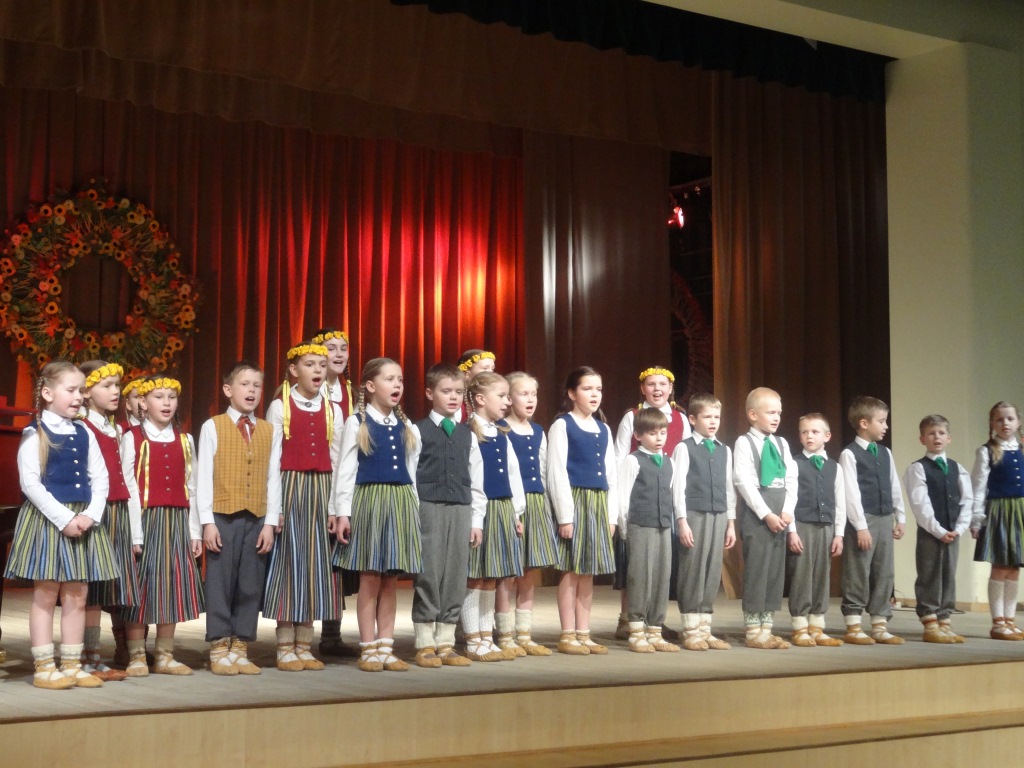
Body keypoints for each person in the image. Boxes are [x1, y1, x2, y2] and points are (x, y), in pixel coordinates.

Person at [4, 361, 117, 689]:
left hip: (82, 520)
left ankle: (71, 664)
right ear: (48, 393)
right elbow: (31, 484)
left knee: (78, 595)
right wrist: (64, 518)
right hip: (49, 519)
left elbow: (101, 478)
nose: (79, 397)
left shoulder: (84, 432)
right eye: (71, 390)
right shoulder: (35, 433)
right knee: (46, 593)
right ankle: (44, 667)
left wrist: (90, 515)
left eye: (81, 390)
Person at [333, 358, 422, 672]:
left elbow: (412, 472)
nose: (397, 385)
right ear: (370, 386)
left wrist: (414, 509)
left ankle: (386, 646)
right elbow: (345, 470)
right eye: (389, 379)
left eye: (400, 379)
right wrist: (342, 513)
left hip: (399, 502)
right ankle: (368, 647)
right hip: (370, 501)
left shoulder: (407, 426)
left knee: (390, 579)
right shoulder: (357, 422)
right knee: (370, 577)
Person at [263, 343, 343, 671]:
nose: (318, 370)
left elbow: (338, 459)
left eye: (322, 365)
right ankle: (284, 644)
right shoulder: (279, 406)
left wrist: (335, 508)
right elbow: (272, 460)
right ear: (294, 370)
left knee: (314, 566)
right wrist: (275, 508)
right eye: (310, 364)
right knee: (289, 564)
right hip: (291, 489)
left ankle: (304, 644)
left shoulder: (332, 409)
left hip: (320, 491)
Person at [121, 376, 204, 675]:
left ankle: (165, 655)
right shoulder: (132, 438)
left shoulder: (185, 439)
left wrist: (194, 531)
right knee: (141, 586)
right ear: (143, 403)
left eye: (171, 397)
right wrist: (135, 533)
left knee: (171, 584)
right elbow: (129, 487)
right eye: (159, 397)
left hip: (176, 520)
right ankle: (136, 655)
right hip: (146, 519)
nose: (166, 403)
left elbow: (192, 486)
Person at [197, 360, 275, 675]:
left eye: (257, 385)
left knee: (250, 583)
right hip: (222, 515)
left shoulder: (268, 429)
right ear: (228, 390)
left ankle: (241, 646)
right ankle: (219, 645)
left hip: (256, 515)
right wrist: (207, 522)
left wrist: (270, 522)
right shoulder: (213, 426)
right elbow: (203, 476)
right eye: (245, 384)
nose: (252, 390)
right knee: (220, 582)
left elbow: (273, 478)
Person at [411, 363, 485, 668]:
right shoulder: (418, 430)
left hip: (461, 508)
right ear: (430, 393)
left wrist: (476, 520)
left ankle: (446, 641)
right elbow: (411, 473)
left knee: (455, 574)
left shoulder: (468, 434)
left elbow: (476, 479)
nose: (453, 397)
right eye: (446, 391)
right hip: (429, 506)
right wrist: (413, 512)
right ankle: (424, 642)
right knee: (429, 571)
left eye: (458, 392)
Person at [612, 366, 691, 640]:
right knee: (636, 566)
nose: (657, 389)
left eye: (663, 384)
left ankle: (654, 621)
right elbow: (620, 456)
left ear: (671, 389)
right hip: (639, 500)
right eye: (651, 384)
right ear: (642, 389)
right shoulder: (632, 417)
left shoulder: (680, 418)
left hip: (664, 501)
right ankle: (629, 619)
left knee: (660, 567)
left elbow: (683, 458)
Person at [548, 366, 619, 655]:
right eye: (587, 389)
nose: (594, 394)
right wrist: (565, 516)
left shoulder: (603, 428)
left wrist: (611, 516)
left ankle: (584, 633)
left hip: (597, 503)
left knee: (588, 570)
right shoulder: (563, 425)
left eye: (598, 389)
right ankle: (567, 634)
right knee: (571, 568)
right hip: (575, 500)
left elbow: (611, 474)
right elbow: (556, 472)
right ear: (571, 393)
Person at [79, 361, 142, 681]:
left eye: (118, 385)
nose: (116, 391)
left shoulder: (115, 429)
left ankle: (107, 654)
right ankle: (87, 657)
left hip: (118, 512)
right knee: (91, 589)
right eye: (107, 386)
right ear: (86, 392)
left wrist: (134, 529)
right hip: (97, 513)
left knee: (111, 588)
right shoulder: (82, 426)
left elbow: (127, 479)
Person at [465, 372, 525, 661]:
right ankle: (472, 638)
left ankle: (486, 636)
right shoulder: (469, 431)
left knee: (492, 575)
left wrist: (516, 512)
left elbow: (513, 474)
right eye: (501, 396)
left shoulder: (501, 433)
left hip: (502, 508)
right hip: (481, 509)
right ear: (480, 399)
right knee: (476, 576)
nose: (507, 402)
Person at [733, 387, 797, 649]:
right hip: (759, 512)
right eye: (770, 412)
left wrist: (788, 510)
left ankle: (767, 628)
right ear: (752, 415)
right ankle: (753, 630)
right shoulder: (744, 442)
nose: (776, 417)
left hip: (780, 510)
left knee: (774, 572)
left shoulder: (781, 443)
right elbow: (743, 482)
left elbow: (791, 478)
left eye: (779, 413)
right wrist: (767, 514)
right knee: (758, 570)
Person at [671, 392, 735, 650]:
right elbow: (678, 487)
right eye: (707, 417)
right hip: (694, 513)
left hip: (718, 514)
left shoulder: (724, 449)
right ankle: (690, 629)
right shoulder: (684, 447)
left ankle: (704, 628)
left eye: (716, 417)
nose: (713, 422)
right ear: (692, 419)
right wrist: (682, 521)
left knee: (711, 569)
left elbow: (729, 488)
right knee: (692, 568)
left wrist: (731, 522)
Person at [839, 396, 906, 645]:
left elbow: (894, 485)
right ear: (864, 423)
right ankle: (854, 624)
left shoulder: (885, 453)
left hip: (884, 517)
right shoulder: (850, 454)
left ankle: (879, 623)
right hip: (863, 520)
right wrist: (861, 526)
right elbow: (851, 493)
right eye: (882, 421)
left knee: (884, 571)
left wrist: (900, 517)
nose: (886, 426)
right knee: (858, 570)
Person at [502, 371, 558, 655]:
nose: (530, 399)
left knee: (528, 571)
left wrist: (548, 508)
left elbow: (544, 470)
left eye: (533, 394)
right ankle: (504, 634)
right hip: (512, 503)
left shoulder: (537, 431)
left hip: (535, 502)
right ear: (509, 398)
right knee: (508, 573)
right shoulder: (501, 429)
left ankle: (524, 634)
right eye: (523, 394)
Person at [311, 327, 359, 658]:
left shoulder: (351, 392)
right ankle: (299, 634)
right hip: (314, 481)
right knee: (312, 557)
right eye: (331, 348)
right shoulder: (302, 393)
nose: (338, 354)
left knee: (337, 559)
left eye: (343, 348)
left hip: (344, 481)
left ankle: (332, 633)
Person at [904, 414, 971, 643]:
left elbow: (967, 500)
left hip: (953, 531)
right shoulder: (918, 468)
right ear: (922, 439)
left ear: (949, 438)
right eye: (931, 433)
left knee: (948, 574)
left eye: (941, 433)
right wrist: (938, 530)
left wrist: (960, 527)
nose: (937, 437)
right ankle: (930, 621)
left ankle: (945, 620)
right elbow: (920, 504)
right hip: (931, 532)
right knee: (930, 573)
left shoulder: (957, 468)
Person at [619, 408, 679, 653]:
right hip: (640, 525)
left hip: (663, 525)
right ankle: (636, 629)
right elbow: (623, 497)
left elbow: (671, 494)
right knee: (640, 576)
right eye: (653, 434)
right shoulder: (633, 460)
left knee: (662, 576)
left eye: (662, 433)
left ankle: (655, 629)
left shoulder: (670, 462)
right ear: (638, 435)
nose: (659, 438)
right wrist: (624, 529)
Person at [786, 413, 846, 647]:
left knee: (822, 575)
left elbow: (840, 502)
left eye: (814, 432)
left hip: (827, 526)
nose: (809, 436)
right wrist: (791, 530)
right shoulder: (794, 463)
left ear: (827, 436)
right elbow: (789, 499)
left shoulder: (834, 467)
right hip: (802, 524)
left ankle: (817, 626)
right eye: (804, 432)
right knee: (802, 575)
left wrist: (839, 534)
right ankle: (800, 626)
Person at [970, 401, 1024, 640]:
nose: (1005, 423)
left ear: (1018, 422)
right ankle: (998, 622)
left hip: (1020, 511)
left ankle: (1010, 619)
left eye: (1010, 418)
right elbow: (978, 487)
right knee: (1000, 566)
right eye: (999, 419)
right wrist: (976, 519)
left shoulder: (1022, 450)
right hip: (999, 511)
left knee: (1014, 568)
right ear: (992, 423)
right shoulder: (986, 451)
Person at [455, 349, 496, 423]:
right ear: (467, 374)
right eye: (485, 368)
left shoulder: (494, 398)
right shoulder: (457, 403)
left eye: (492, 369)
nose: (490, 372)